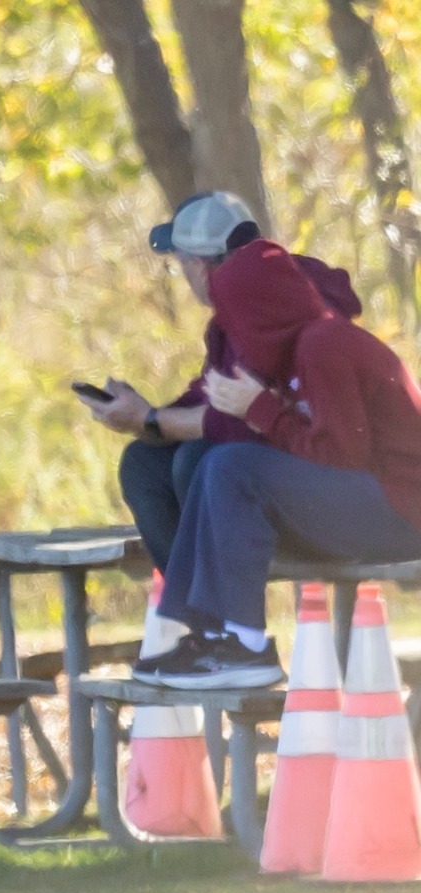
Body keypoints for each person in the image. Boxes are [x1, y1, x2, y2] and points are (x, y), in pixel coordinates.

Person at [133, 239, 421, 688]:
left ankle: (247, 648)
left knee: (232, 467)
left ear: (263, 312)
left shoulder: (323, 345)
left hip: (403, 512)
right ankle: (212, 634)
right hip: (371, 503)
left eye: (238, 319)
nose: (237, 335)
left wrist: (262, 410)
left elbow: (341, 459)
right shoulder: (295, 349)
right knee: (212, 463)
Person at [79, 191, 361, 571]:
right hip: (289, 481)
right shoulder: (232, 319)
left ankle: (225, 615)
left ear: (197, 265)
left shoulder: (279, 302)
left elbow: (240, 419)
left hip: (337, 496)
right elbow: (211, 399)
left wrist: (148, 421)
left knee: (201, 459)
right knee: (144, 463)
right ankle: (195, 612)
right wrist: (143, 415)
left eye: (179, 262)